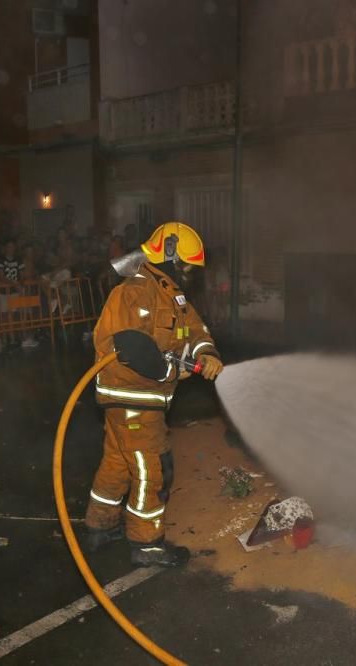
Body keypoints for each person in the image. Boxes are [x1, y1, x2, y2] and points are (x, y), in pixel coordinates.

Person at [84, 221, 224, 567]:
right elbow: (131, 345)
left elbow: (193, 329)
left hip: (137, 397)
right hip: (132, 395)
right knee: (153, 469)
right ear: (171, 255)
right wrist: (169, 371)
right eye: (187, 265)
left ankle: (99, 527)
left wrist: (206, 354)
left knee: (118, 461)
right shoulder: (135, 291)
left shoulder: (170, 293)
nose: (190, 273)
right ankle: (146, 544)